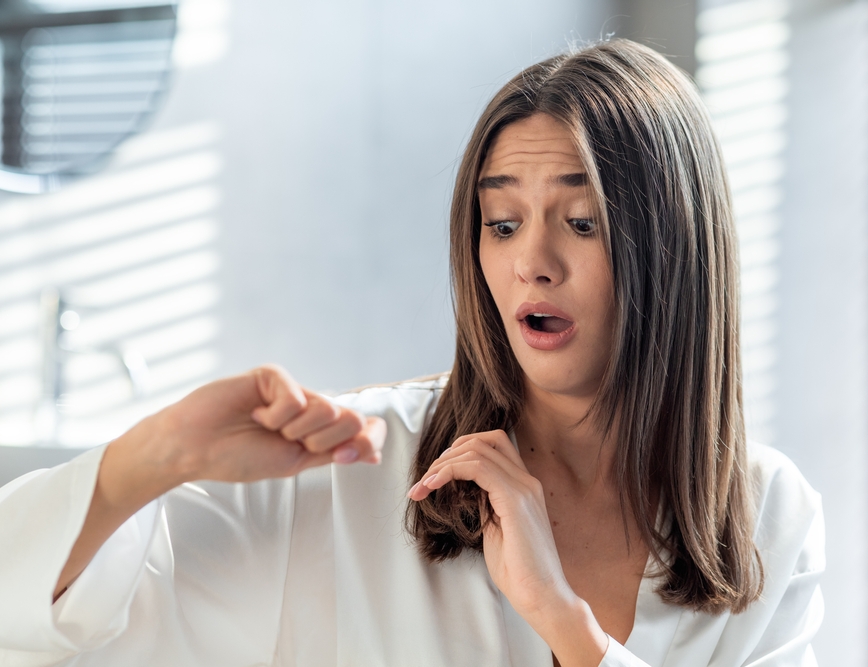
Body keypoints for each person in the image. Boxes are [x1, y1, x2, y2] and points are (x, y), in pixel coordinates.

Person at [0, 39, 823, 667]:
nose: (531, 261)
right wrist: (152, 456)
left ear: (676, 247)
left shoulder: (768, 516)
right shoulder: (350, 467)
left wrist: (564, 623)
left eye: (582, 222)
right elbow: (32, 615)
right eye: (501, 224)